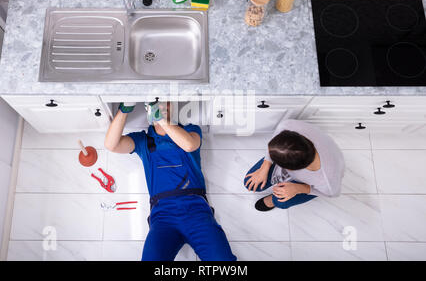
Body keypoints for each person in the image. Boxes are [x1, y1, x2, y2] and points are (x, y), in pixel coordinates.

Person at [104, 101, 236, 261]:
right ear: (147, 109)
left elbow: (189, 145)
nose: (162, 104)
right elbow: (111, 145)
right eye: (156, 103)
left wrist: (160, 120)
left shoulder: (190, 130)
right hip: (163, 217)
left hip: (196, 212)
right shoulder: (143, 141)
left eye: (167, 101)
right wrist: (125, 108)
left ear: (173, 107)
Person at [244, 119, 345, 211]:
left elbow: (331, 194)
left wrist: (299, 188)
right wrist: (265, 166)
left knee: (280, 201)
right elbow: (275, 143)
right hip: (295, 159)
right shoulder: (288, 126)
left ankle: (273, 200)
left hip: (307, 183)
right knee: (250, 183)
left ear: (290, 169)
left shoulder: (327, 179)